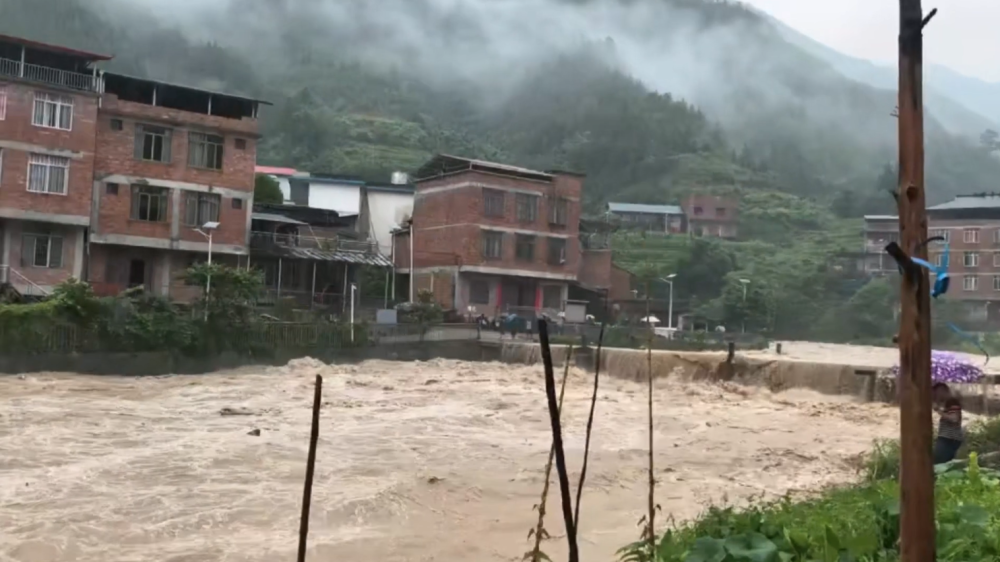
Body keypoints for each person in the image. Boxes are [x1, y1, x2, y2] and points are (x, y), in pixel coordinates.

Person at [932, 382, 964, 464]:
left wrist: (938, 411)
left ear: (943, 391)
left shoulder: (952, 402)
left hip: (949, 438)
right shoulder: (948, 404)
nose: (936, 396)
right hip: (949, 438)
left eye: (936, 393)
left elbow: (954, 419)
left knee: (940, 463)